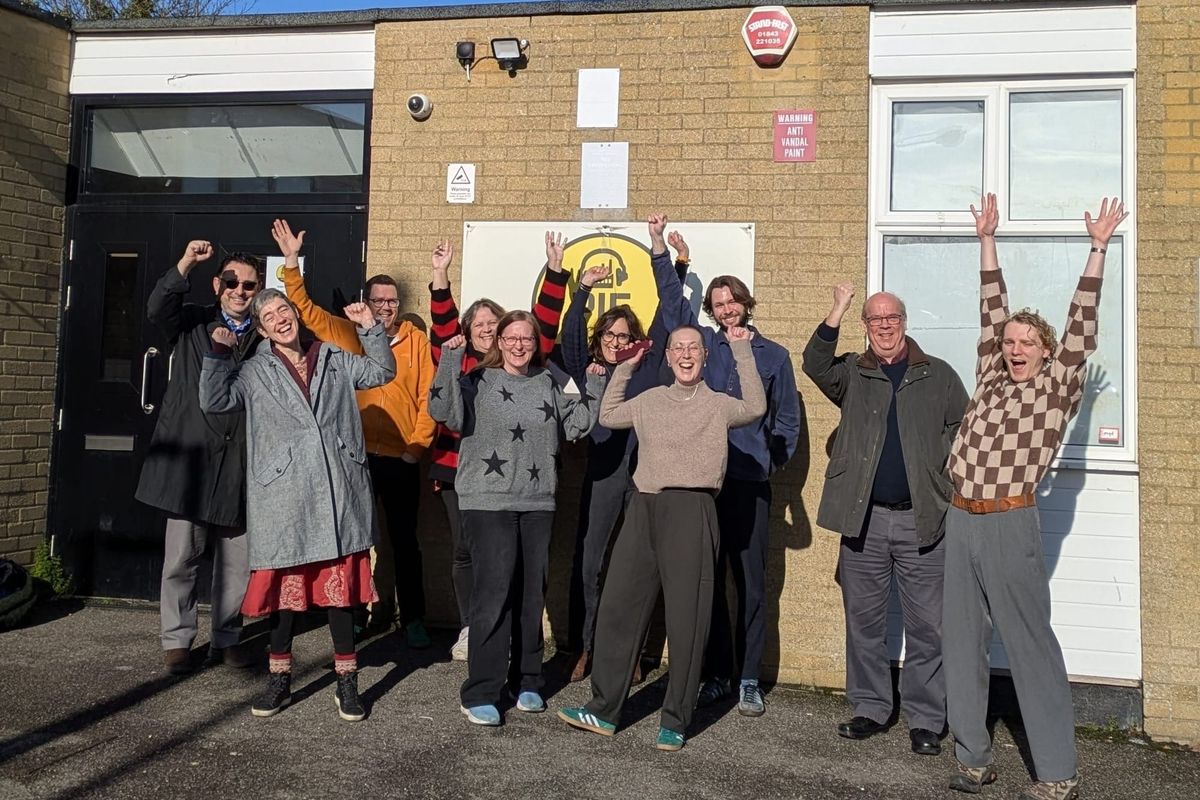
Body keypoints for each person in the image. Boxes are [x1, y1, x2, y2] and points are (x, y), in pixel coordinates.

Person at [944, 194, 1126, 799]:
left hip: (1008, 521)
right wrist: (986, 242)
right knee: (962, 639)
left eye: (1028, 341)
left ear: (1046, 351)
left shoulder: (1056, 388)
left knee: (1028, 643)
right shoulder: (992, 376)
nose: (1016, 348)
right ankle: (973, 758)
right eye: (1012, 342)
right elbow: (991, 309)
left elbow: (1081, 327)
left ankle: (1056, 772)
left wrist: (1097, 249)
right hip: (962, 518)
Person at [558, 323, 766, 751]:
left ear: (705, 356)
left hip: (692, 510)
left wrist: (743, 352)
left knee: (687, 618)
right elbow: (608, 415)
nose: (686, 355)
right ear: (668, 357)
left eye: (694, 348)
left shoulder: (720, 405)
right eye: (678, 349)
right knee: (619, 605)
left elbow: (757, 407)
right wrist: (626, 367)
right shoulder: (650, 400)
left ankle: (675, 719)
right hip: (644, 507)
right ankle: (603, 709)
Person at [200, 289, 396, 722]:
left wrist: (368, 326)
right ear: (262, 328)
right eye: (268, 316)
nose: (279, 319)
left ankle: (347, 684)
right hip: (284, 495)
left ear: (295, 315)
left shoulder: (333, 356)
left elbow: (382, 370)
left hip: (336, 491)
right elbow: (214, 402)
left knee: (340, 597)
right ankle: (280, 682)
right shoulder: (253, 371)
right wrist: (218, 352)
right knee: (284, 600)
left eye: (283, 310)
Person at [802, 283, 968, 755]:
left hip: (923, 521)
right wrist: (836, 308)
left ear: (905, 322)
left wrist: (940, 476)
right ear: (866, 326)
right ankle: (870, 708)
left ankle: (926, 718)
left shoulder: (937, 375)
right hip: (865, 521)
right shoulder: (854, 372)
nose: (885, 326)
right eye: (875, 320)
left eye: (891, 318)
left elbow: (964, 428)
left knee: (928, 625)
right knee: (864, 620)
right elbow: (813, 363)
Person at [651, 214, 802, 716]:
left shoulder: (774, 355)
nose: (725, 310)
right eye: (717, 305)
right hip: (705, 482)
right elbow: (673, 309)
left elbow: (787, 422)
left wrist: (767, 462)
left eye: (731, 301)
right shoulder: (704, 347)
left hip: (749, 484)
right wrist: (663, 253)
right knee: (708, 582)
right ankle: (716, 674)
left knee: (753, 583)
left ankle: (748, 678)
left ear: (745, 303)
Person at [429, 310, 604, 727]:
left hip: (538, 501)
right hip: (487, 502)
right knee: (494, 594)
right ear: (499, 342)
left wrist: (595, 383)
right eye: (512, 338)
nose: (520, 345)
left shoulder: (550, 381)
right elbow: (443, 412)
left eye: (528, 338)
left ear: (536, 343)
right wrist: (450, 361)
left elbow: (578, 425)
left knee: (531, 594)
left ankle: (526, 679)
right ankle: (481, 691)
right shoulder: (476, 381)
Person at [275, 219, 436, 647]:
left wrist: (416, 450)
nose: (385, 307)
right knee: (356, 543)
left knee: (405, 542)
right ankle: (358, 615)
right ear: (367, 301)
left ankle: (413, 617)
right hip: (355, 458)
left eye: (393, 301)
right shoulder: (345, 333)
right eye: (379, 300)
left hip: (402, 457)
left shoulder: (415, 341)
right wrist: (291, 261)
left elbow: (427, 398)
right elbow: (304, 310)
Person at [427, 234, 568, 661]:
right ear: (467, 333)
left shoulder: (521, 365)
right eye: (479, 325)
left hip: (509, 479)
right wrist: (439, 275)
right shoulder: (462, 366)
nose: (487, 330)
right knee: (465, 551)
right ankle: (473, 626)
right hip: (455, 470)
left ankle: (501, 627)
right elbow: (443, 324)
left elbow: (543, 320)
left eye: (494, 324)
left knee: (509, 560)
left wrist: (556, 272)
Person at [134, 242, 262, 674]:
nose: (238, 290)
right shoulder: (192, 322)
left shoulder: (265, 337)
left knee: (236, 562)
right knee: (181, 558)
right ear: (217, 284)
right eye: (231, 282)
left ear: (257, 289)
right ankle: (177, 640)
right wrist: (186, 261)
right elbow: (157, 308)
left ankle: (227, 638)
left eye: (247, 284)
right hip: (190, 458)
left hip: (240, 462)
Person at [561, 237, 676, 683]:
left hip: (644, 479)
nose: (614, 342)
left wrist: (671, 262)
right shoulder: (587, 369)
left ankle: (629, 655)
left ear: (636, 341)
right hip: (602, 478)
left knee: (638, 568)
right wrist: (584, 290)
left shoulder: (647, 371)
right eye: (608, 335)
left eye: (623, 336)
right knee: (589, 564)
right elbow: (571, 337)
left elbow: (667, 319)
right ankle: (586, 648)